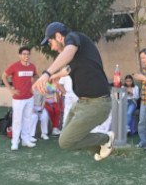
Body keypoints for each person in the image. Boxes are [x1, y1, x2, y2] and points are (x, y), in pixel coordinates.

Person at [32, 22, 114, 161]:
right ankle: (103, 145)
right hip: (81, 103)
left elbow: (68, 51)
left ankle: (106, 139)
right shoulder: (78, 54)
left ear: (58, 36)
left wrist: (46, 73)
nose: (50, 47)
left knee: (65, 142)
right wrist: (56, 76)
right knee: (69, 138)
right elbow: (69, 68)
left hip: (98, 103)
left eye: (50, 42)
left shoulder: (74, 37)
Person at [2, 47, 38, 151]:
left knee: (27, 119)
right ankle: (15, 142)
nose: (26, 56)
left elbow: (36, 75)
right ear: (19, 55)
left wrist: (33, 86)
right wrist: (10, 89)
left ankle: (26, 140)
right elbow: (4, 76)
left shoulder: (32, 66)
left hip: (29, 98)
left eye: (28, 54)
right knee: (17, 121)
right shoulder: (15, 66)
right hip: (18, 99)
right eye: (24, 54)